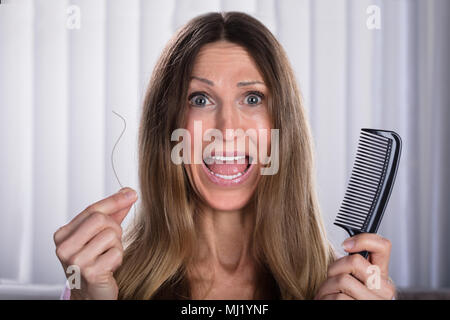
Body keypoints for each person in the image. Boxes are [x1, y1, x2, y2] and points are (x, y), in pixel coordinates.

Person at [54, 11, 396, 300]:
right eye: (200, 99)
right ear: (168, 129)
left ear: (283, 127)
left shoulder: (341, 288)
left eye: (252, 98)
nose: (228, 127)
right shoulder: (102, 283)